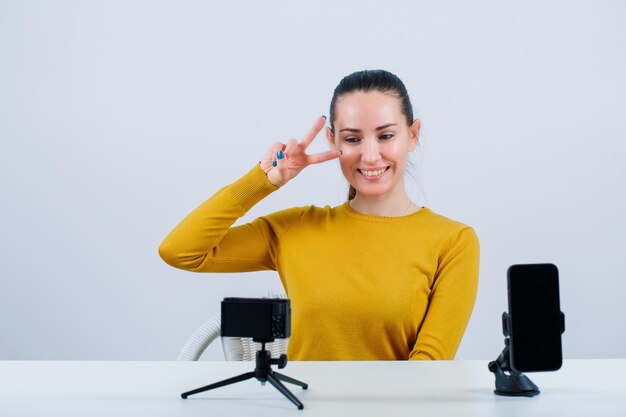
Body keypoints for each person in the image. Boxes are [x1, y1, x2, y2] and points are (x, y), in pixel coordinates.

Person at [159, 69, 479, 361]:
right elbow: (181, 252)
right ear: (332, 140)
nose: (369, 155)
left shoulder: (453, 241)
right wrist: (261, 181)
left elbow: (429, 366)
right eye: (353, 138)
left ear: (412, 135)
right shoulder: (297, 228)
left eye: (385, 136)